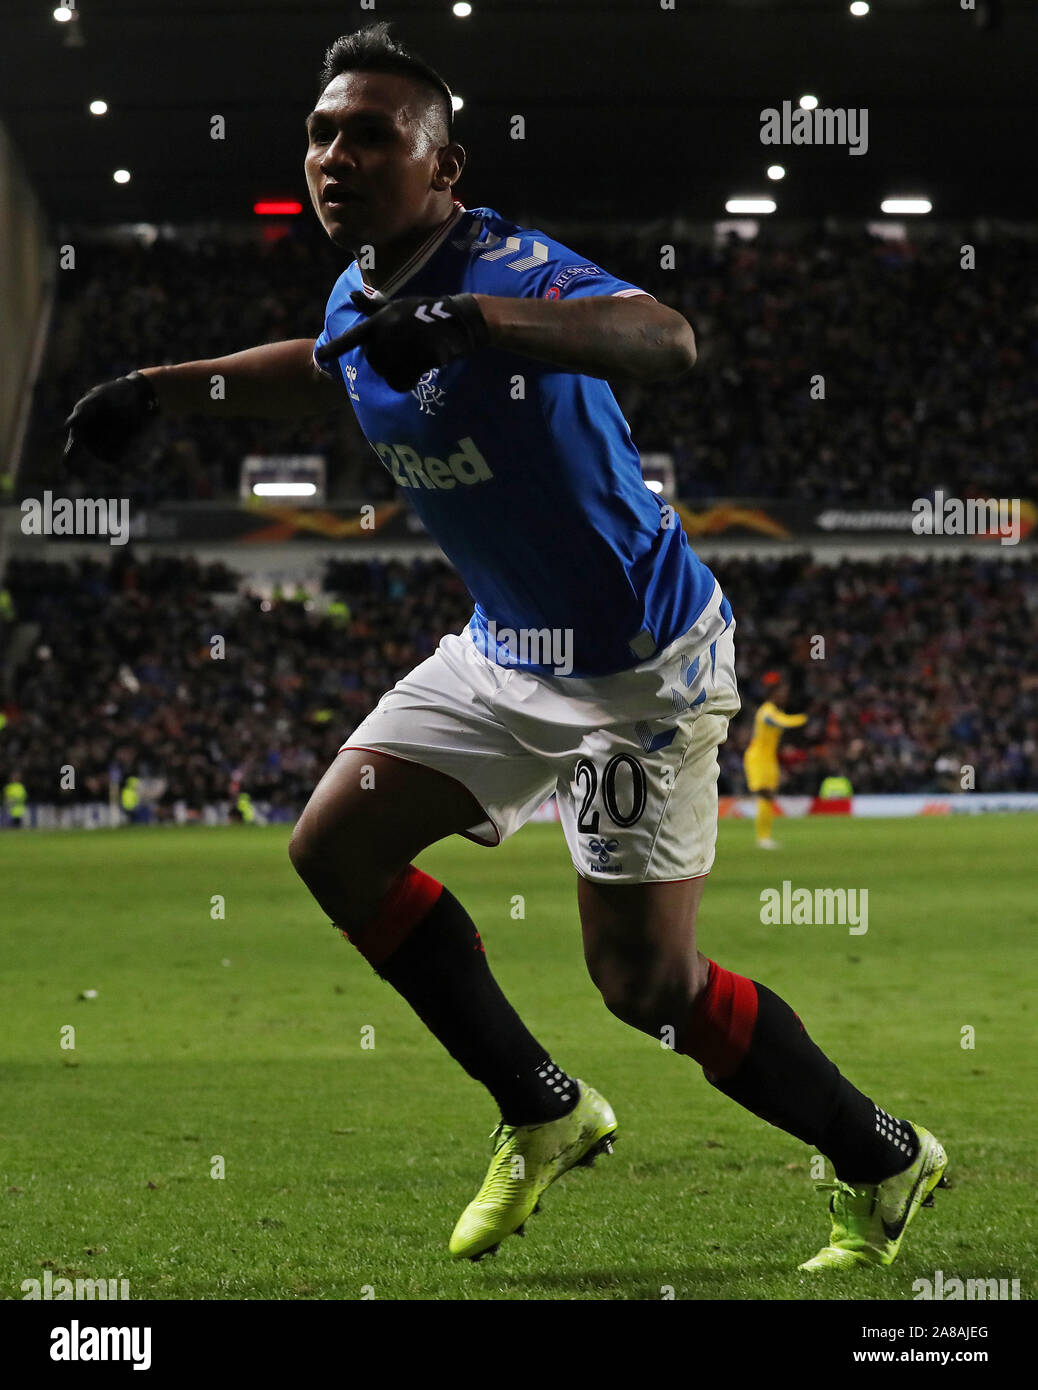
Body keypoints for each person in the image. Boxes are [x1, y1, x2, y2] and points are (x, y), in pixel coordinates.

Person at [62, 21, 947, 1272]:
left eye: (372, 135)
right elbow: (320, 369)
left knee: (646, 987)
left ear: (445, 168)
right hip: (503, 652)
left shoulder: (510, 264)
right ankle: (540, 1106)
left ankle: (881, 1153)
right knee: (335, 845)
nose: (335, 155)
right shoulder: (359, 287)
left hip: (642, 670)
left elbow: (670, 339)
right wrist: (160, 386)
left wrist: (481, 324)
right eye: (321, 132)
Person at [743, 674, 808, 848]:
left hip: (769, 759)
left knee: (769, 797)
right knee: (764, 794)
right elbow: (779, 722)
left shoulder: (776, 711)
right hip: (757, 758)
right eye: (782, 692)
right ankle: (763, 838)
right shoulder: (767, 710)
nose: (785, 695)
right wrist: (803, 719)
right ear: (774, 694)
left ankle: (764, 837)